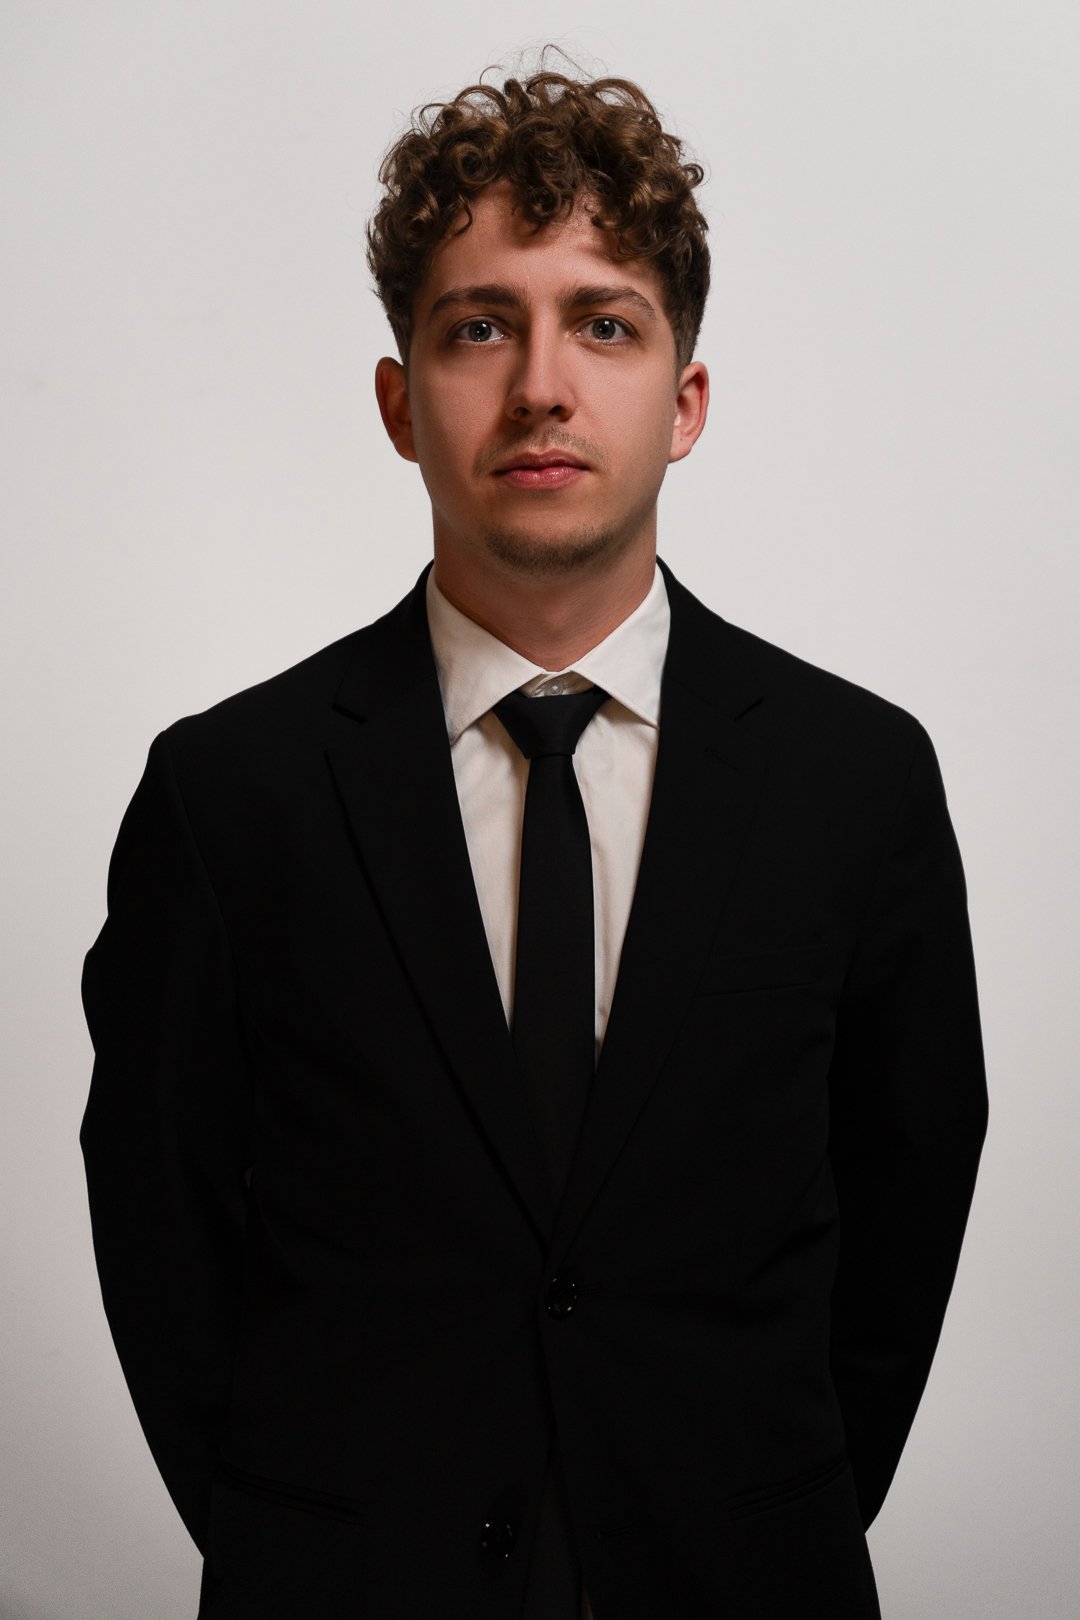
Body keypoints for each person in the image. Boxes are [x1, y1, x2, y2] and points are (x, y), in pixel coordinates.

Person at [80, 62, 989, 1620]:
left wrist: (768, 1502)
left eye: (606, 322)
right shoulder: (230, 795)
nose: (543, 386)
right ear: (398, 399)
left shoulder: (860, 781)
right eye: (481, 324)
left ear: (686, 400)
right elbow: (160, 1221)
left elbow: (909, 1188)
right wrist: (293, 1528)